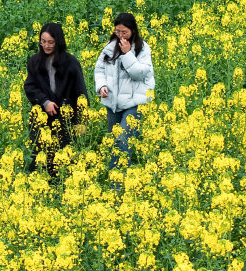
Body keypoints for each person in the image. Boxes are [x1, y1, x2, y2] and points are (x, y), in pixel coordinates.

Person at [23, 22, 88, 175]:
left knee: (63, 157)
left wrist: (81, 122)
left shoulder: (71, 62)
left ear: (58, 41)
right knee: (39, 156)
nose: (46, 45)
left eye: (51, 42)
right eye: (43, 41)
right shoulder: (35, 61)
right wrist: (45, 102)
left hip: (66, 117)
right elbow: (30, 87)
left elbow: (81, 93)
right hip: (41, 118)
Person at [94, 12, 154, 171]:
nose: (120, 35)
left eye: (124, 32)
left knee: (123, 140)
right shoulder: (109, 47)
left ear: (133, 30)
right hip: (113, 103)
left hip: (135, 103)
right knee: (114, 141)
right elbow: (99, 70)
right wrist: (102, 86)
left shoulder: (143, 49)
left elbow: (140, 73)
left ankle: (118, 182)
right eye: (117, 31)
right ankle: (116, 178)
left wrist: (128, 54)